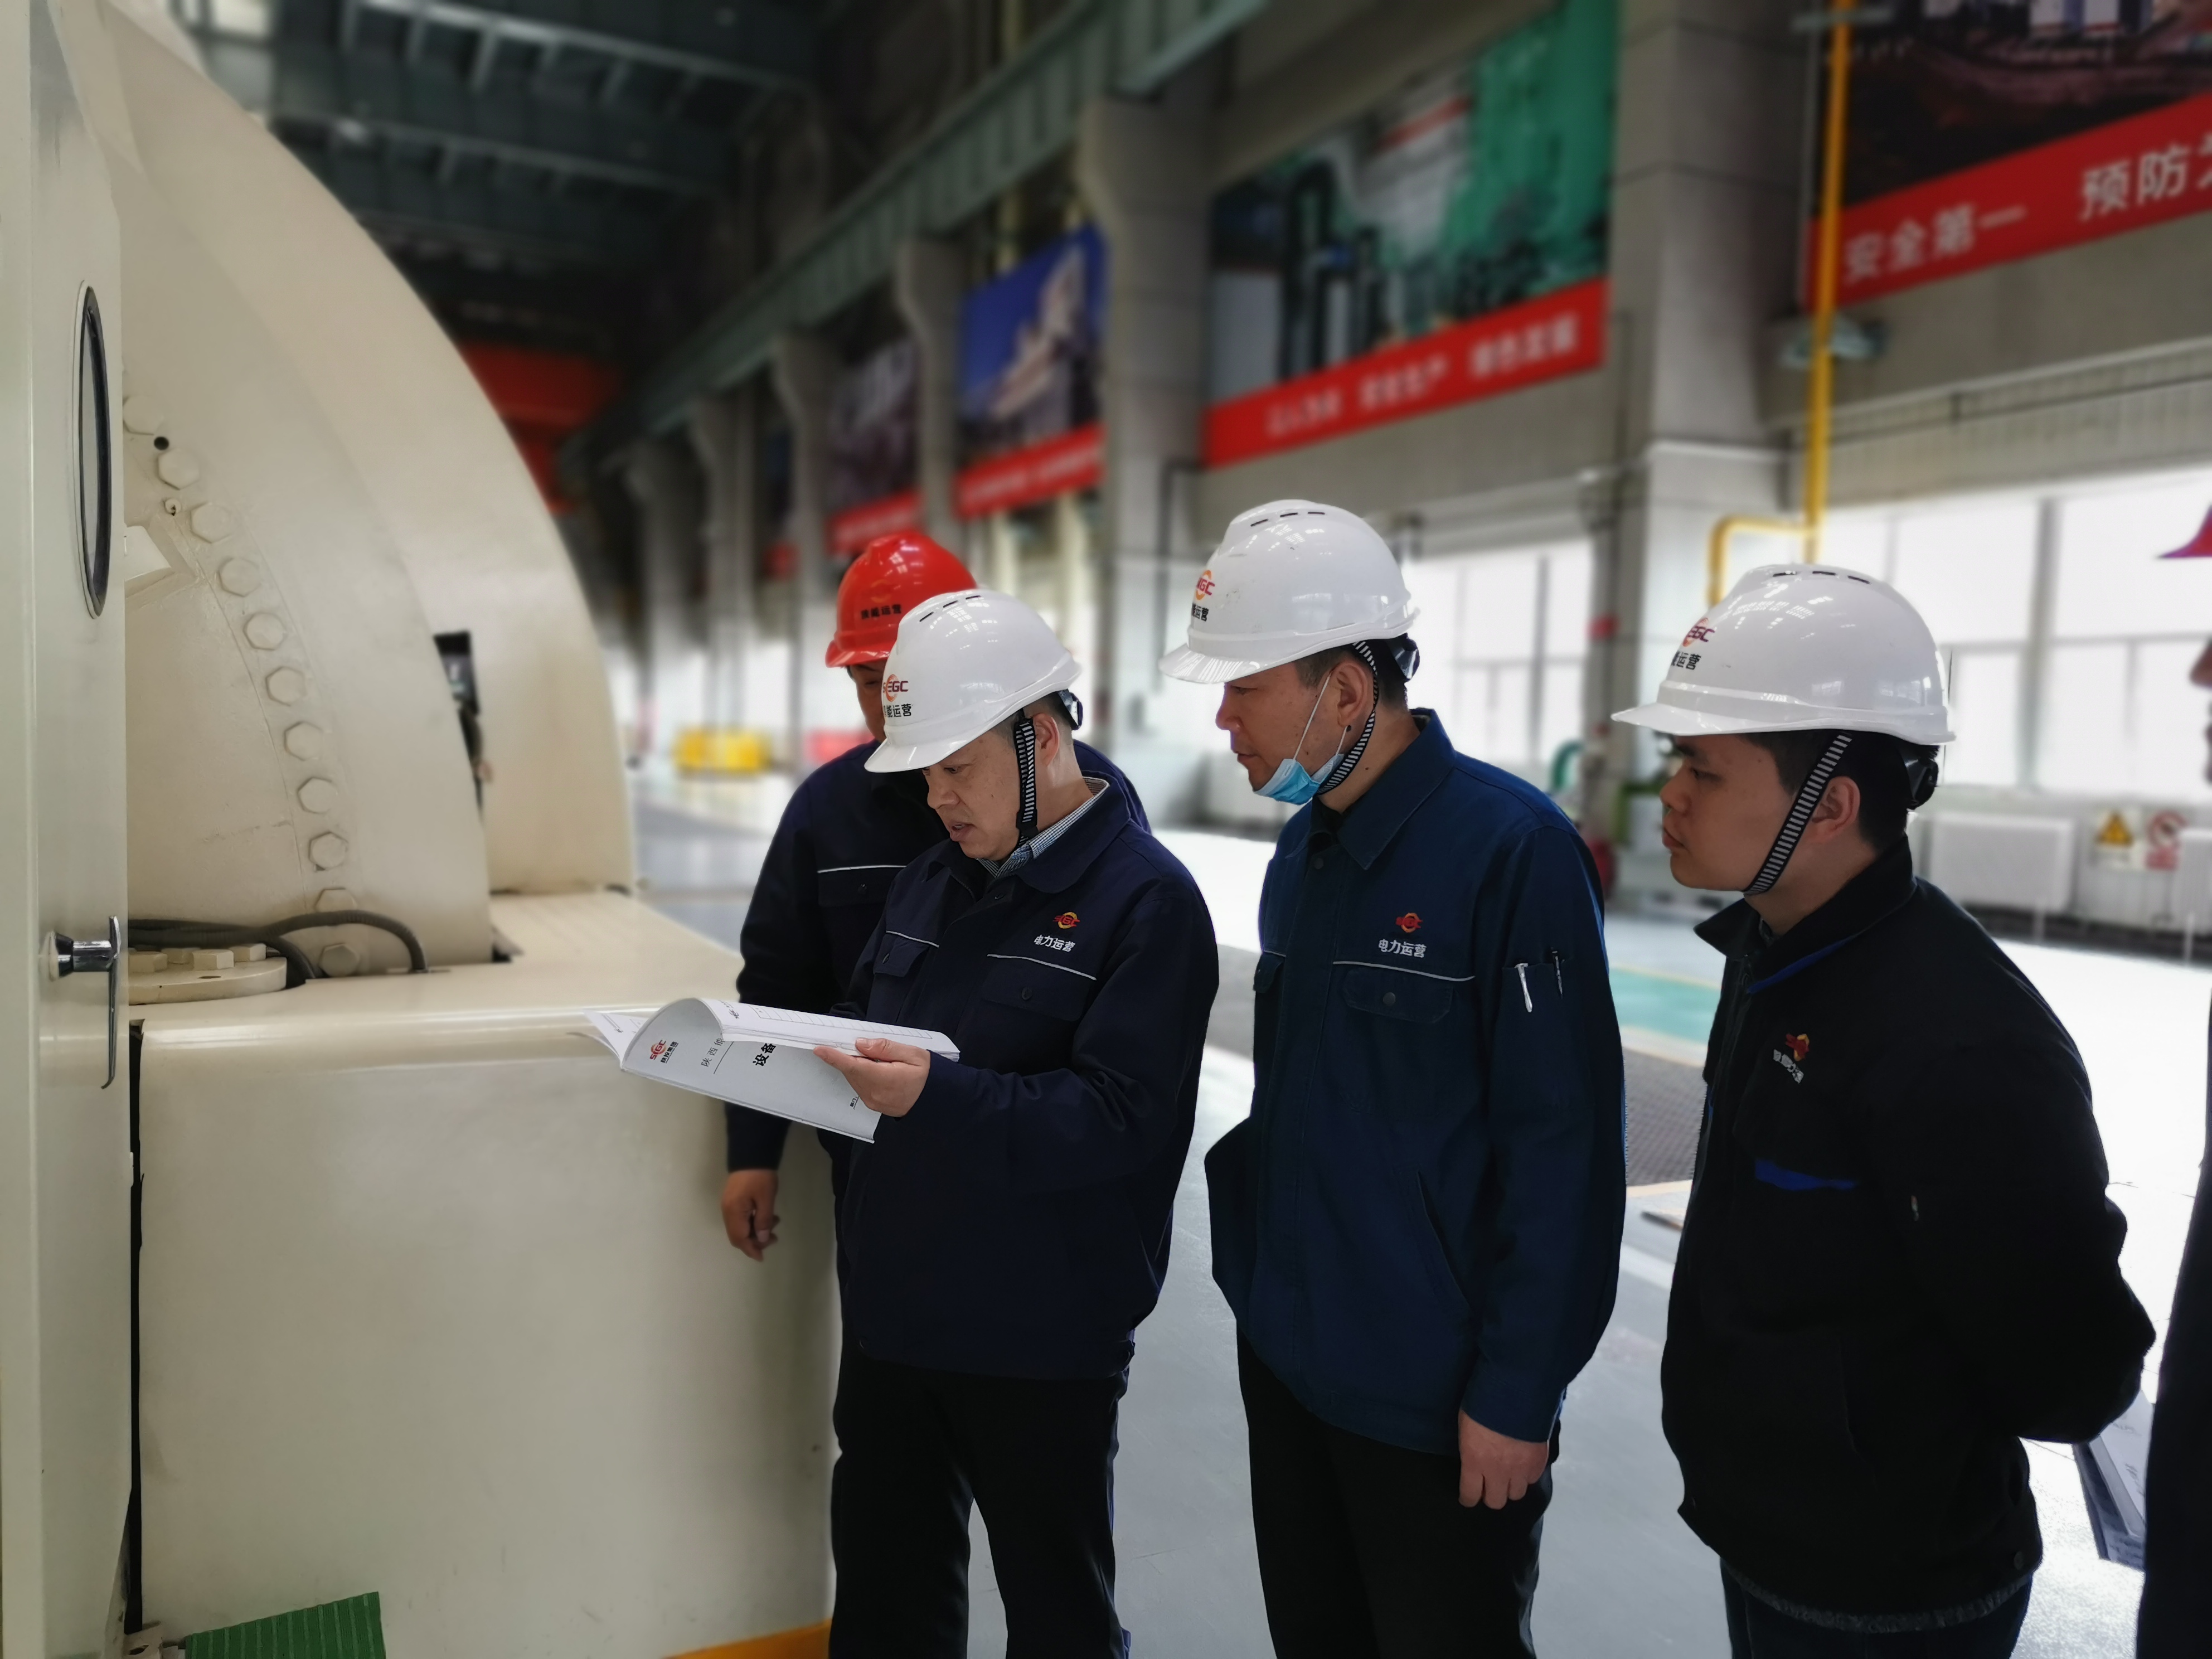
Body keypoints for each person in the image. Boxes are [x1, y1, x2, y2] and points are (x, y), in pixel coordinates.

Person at [1617, 562, 2153, 1658]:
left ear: (1830, 807)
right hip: (1769, 1531)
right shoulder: (1773, 952)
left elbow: (2068, 1374)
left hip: (1892, 1586)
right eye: (1675, 759)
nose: (1668, 794)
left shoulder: (1957, 1042)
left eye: (1703, 768)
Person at [1159, 498, 1626, 1659]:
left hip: (1436, 1402)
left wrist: (1518, 1390)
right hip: (1293, 1362)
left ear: (1347, 691)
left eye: (1244, 686)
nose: (1222, 718)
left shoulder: (1513, 852)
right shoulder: (1304, 850)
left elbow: (1564, 1149)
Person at [802, 588, 1216, 1658]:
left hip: (1039, 1335)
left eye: (956, 768)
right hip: (896, 1320)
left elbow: (1122, 1120)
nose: (936, 799)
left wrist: (935, 1098)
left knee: (1057, 1611)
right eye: (923, 775)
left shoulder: (1147, 902)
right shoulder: (932, 882)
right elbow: (864, 1025)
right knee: (887, 1605)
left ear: (1041, 736)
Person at [718, 530, 1142, 1262]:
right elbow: (779, 983)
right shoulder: (829, 810)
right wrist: (753, 1149)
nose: (890, 707)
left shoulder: (1083, 801)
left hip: (1032, 1199)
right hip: (879, 1181)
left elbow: (1125, 1067)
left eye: (903, 679)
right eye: (868, 682)